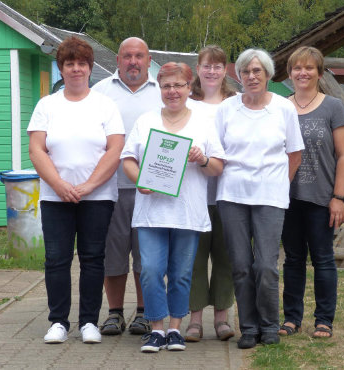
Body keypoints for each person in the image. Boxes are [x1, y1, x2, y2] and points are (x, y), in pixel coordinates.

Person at [121, 62, 225, 353]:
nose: (172, 91)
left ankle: (176, 329)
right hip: (151, 212)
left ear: (189, 88)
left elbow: (217, 166)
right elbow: (128, 159)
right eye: (166, 86)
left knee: (181, 273)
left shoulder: (203, 123)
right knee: (151, 270)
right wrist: (139, 179)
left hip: (187, 213)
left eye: (178, 85)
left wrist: (202, 159)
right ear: (160, 90)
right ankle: (156, 329)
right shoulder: (146, 121)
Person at [28, 36, 125, 344]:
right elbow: (36, 149)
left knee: (93, 257)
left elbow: (115, 149)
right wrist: (59, 185)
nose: (75, 69)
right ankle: (58, 321)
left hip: (96, 197)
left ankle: (88, 323)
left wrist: (88, 185)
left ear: (90, 68)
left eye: (81, 63)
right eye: (69, 64)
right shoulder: (47, 105)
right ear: (61, 69)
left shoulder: (105, 105)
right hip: (55, 198)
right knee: (56, 258)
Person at [215, 48, 304, 349]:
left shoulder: (283, 108)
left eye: (257, 71)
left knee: (266, 265)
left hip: (270, 197)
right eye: (245, 71)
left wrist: (279, 184)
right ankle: (249, 328)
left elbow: (294, 153)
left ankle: (269, 324)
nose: (251, 76)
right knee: (240, 265)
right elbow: (216, 150)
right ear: (238, 75)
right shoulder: (227, 108)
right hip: (232, 195)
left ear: (268, 74)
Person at [279, 46, 344, 339]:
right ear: (290, 73)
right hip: (286, 197)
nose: (303, 73)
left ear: (320, 73)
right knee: (293, 259)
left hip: (323, 198)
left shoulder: (333, 106)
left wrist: (339, 197)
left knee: (322, 259)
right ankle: (292, 318)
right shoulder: (280, 106)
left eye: (309, 68)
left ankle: (324, 320)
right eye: (297, 68)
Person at [92, 37, 163, 336]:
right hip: (111, 187)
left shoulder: (163, 93)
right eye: (127, 56)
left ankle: (145, 314)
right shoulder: (100, 92)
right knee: (114, 252)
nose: (133, 61)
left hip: (153, 189)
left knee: (146, 255)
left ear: (149, 60)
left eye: (139, 56)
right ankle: (115, 313)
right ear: (117, 61)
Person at [184, 45, 236, 342]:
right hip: (194, 193)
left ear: (225, 70)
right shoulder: (188, 103)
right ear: (198, 69)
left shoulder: (236, 103)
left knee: (226, 258)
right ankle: (194, 320)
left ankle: (222, 318)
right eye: (207, 65)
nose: (212, 71)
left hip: (229, 193)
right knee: (194, 258)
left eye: (218, 66)